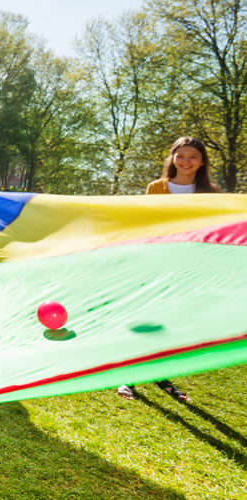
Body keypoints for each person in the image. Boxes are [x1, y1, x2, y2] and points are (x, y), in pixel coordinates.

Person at [116, 136, 220, 402]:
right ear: (172, 158)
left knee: (170, 322)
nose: (186, 161)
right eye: (181, 155)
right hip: (154, 261)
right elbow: (147, 223)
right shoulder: (156, 187)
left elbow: (214, 229)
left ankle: (161, 375)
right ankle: (127, 377)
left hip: (188, 266)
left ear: (202, 162)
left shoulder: (212, 194)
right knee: (145, 317)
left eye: (193, 157)